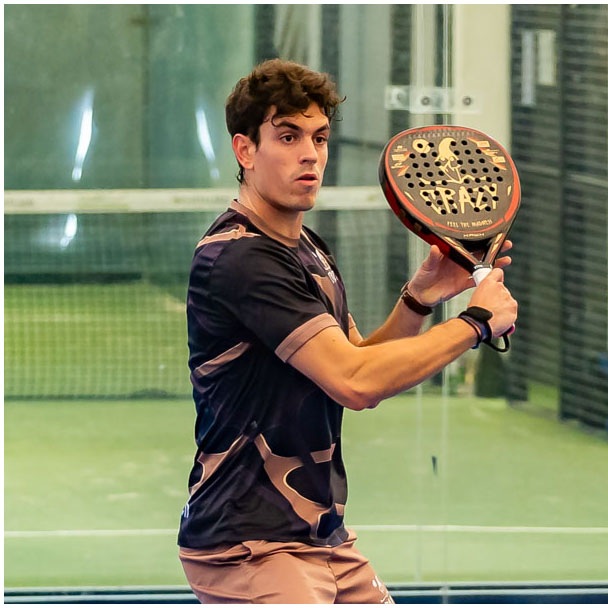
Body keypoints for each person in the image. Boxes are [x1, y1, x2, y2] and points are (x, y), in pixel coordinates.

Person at [177, 59, 518, 604]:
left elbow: (358, 362)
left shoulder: (308, 249)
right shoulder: (241, 259)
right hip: (251, 543)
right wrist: (475, 323)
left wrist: (418, 300)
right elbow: (354, 381)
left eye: (319, 137)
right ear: (245, 150)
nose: (310, 154)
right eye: (287, 136)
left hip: (322, 537)